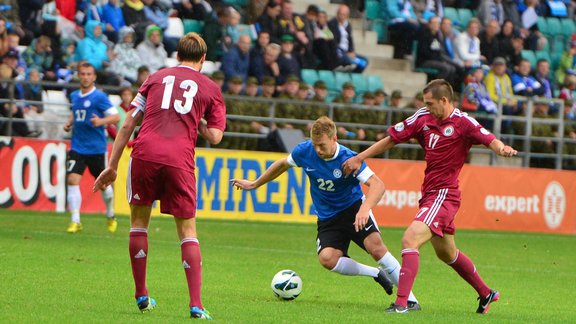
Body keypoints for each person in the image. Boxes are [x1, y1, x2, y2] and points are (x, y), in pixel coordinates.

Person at [342, 79, 518, 314]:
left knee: (410, 239)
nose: (426, 107)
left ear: (444, 101)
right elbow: (393, 139)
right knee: (447, 253)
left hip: (445, 194)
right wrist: (360, 157)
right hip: (430, 194)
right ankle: (486, 293)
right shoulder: (423, 117)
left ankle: (403, 304)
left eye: (430, 103)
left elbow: (489, 139)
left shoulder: (463, 122)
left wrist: (502, 148)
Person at [93, 32, 226, 319]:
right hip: (179, 159)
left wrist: (113, 165)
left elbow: (128, 123)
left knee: (139, 223)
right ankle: (196, 305)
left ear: (177, 56)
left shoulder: (154, 78)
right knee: (187, 231)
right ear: (203, 59)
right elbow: (215, 136)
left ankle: (141, 296)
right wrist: (200, 122)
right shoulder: (211, 89)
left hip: (144, 155)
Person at [231, 116, 421, 310]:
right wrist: (255, 183)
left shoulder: (348, 158)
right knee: (327, 259)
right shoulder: (305, 151)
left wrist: (365, 209)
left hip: (353, 209)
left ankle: (410, 300)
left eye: (321, 145)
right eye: (315, 145)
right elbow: (282, 164)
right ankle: (376, 274)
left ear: (334, 138)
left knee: (376, 248)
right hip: (327, 217)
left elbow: (378, 185)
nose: (318, 150)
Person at [64, 62, 120, 234]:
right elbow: (77, 112)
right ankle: (75, 220)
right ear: (79, 76)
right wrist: (69, 122)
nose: (86, 77)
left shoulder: (99, 97)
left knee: (104, 186)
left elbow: (116, 116)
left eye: (89, 74)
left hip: (96, 148)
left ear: (94, 77)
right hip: (78, 146)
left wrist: (101, 122)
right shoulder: (74, 96)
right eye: (82, 74)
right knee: (72, 180)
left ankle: (110, 214)